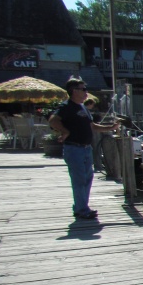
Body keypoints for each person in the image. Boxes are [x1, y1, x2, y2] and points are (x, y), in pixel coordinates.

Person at [49, 76, 119, 219]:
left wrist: (111, 127)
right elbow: (53, 120)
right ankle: (81, 209)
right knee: (79, 179)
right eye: (83, 89)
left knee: (87, 178)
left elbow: (92, 126)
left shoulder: (82, 107)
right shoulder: (67, 106)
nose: (86, 92)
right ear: (74, 91)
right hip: (74, 149)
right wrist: (65, 131)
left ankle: (82, 207)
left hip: (86, 148)